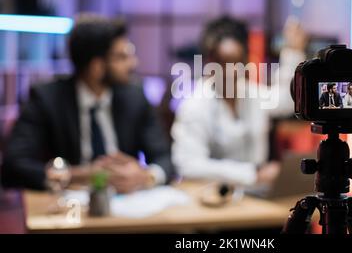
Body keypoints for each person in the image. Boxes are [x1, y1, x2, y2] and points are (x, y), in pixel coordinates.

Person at [1, 14, 173, 193]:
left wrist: (146, 176)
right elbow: (13, 167)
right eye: (121, 57)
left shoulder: (135, 97)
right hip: (66, 209)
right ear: (96, 66)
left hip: (126, 206)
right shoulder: (47, 99)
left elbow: (165, 158)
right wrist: (81, 174)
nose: (133, 63)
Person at [171, 16, 306, 186]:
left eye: (237, 62)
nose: (232, 71)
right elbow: (188, 165)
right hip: (214, 196)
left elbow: (287, 101)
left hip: (257, 194)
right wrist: (252, 174)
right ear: (210, 62)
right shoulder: (195, 105)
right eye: (224, 63)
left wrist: (292, 52)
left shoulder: (251, 93)